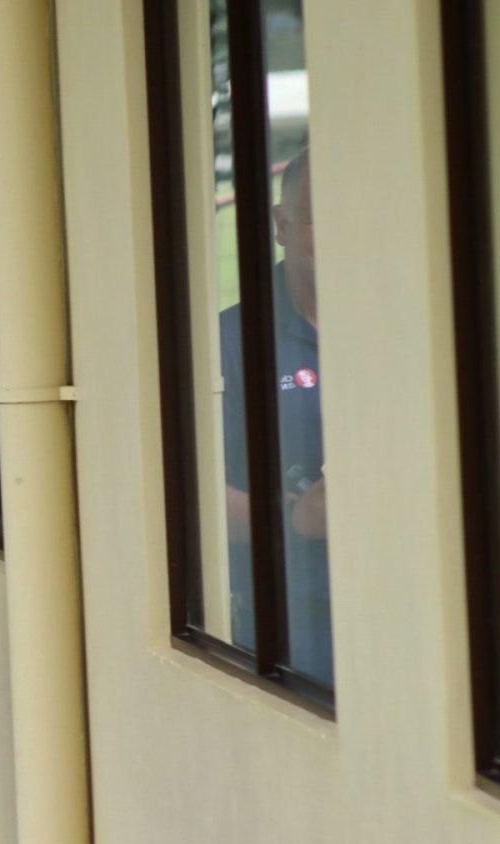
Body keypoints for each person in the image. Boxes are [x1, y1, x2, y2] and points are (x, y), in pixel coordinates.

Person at [222, 146, 331, 686]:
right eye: (320, 220)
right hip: (292, 632)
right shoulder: (229, 344)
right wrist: (296, 516)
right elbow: (189, 499)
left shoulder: (412, 327)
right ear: (281, 225)